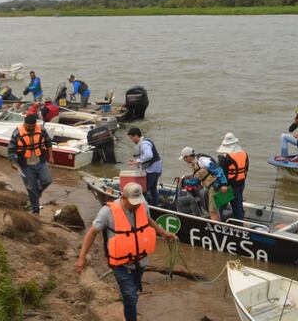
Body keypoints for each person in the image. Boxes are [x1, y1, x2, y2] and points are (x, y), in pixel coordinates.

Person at [75, 182, 176, 321]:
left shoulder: (142, 204)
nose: (136, 205)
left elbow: (148, 220)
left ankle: (128, 309)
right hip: (120, 263)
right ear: (123, 197)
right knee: (130, 295)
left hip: (141, 260)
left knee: (132, 293)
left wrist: (164, 233)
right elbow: (92, 233)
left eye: (138, 202)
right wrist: (82, 257)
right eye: (132, 202)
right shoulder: (107, 211)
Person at [6, 114, 54, 216]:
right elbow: (11, 150)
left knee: (47, 181)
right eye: (27, 127)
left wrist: (51, 157)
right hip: (25, 165)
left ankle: (38, 191)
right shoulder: (17, 132)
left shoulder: (41, 130)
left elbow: (48, 143)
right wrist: (13, 162)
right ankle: (36, 212)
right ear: (24, 124)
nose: (30, 129)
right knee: (31, 188)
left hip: (40, 162)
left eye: (32, 127)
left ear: (35, 124)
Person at [179, 147, 229, 221]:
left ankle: (214, 227)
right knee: (215, 209)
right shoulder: (194, 165)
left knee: (212, 210)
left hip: (215, 186)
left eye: (184, 158)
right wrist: (184, 181)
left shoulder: (203, 161)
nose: (184, 160)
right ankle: (218, 224)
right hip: (210, 187)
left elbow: (219, 170)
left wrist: (224, 184)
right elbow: (196, 181)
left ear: (188, 156)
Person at [217, 132, 249, 221]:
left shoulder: (224, 157)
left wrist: (222, 185)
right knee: (238, 206)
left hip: (228, 186)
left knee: (219, 207)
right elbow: (246, 169)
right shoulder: (244, 154)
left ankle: (219, 225)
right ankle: (239, 224)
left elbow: (220, 173)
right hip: (241, 184)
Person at [127, 127, 162, 206]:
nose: (131, 140)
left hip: (152, 170)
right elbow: (146, 156)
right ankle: (155, 205)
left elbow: (149, 155)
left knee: (144, 190)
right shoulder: (146, 141)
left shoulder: (144, 144)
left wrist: (138, 161)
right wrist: (136, 161)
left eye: (131, 138)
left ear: (136, 136)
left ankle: (143, 208)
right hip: (157, 169)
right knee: (153, 189)